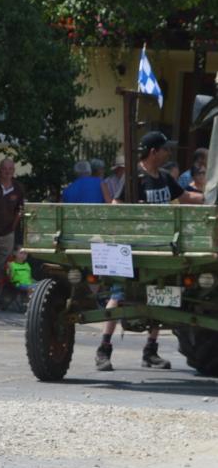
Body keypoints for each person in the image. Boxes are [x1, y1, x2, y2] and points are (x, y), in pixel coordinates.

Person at [96, 131, 203, 371]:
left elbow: (185, 196)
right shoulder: (135, 178)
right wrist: (137, 213)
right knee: (118, 295)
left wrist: (209, 197)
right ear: (154, 152)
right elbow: (116, 204)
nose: (168, 153)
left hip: (163, 249)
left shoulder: (164, 177)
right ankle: (103, 349)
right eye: (165, 149)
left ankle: (150, 351)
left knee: (161, 295)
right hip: (136, 250)